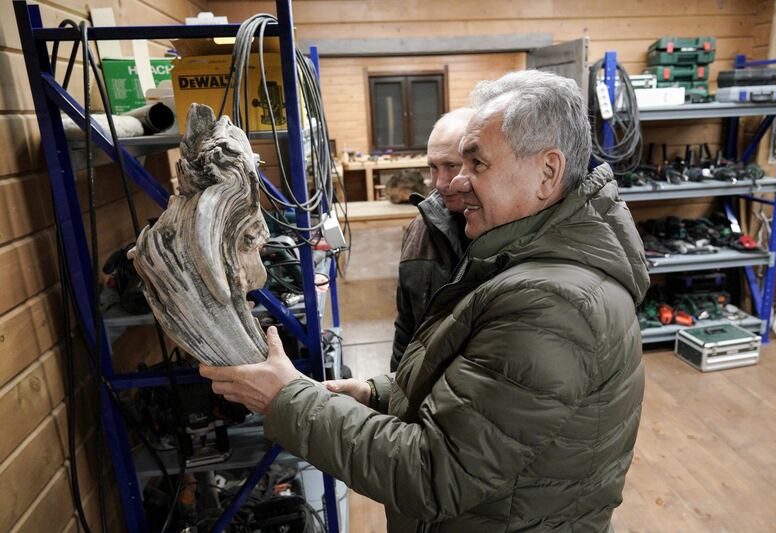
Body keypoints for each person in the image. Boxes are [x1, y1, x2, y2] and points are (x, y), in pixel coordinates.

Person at [200, 69, 649, 532]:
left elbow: (435, 473)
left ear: (547, 172)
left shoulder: (553, 304)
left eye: (477, 165)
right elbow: (476, 398)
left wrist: (286, 400)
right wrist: (379, 393)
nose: (453, 184)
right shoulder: (520, 264)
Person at [391, 107, 475, 371]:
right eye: (433, 167)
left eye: (451, 166)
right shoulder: (419, 229)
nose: (440, 182)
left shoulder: (507, 232)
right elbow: (406, 327)